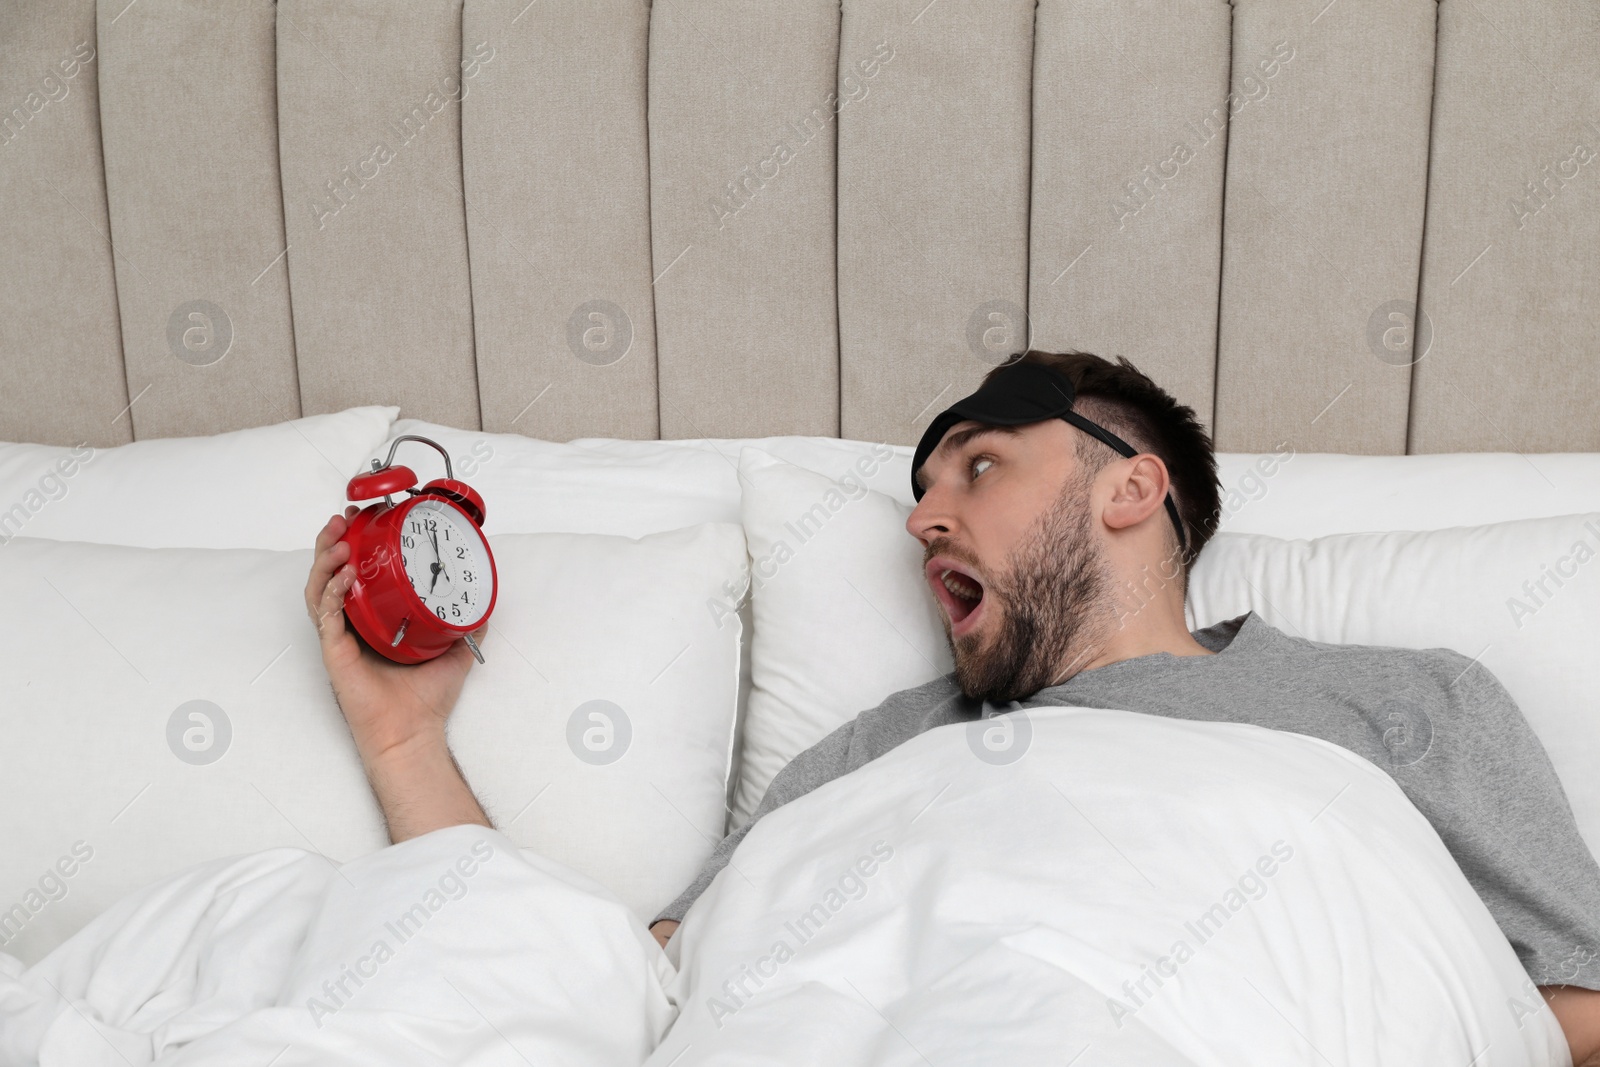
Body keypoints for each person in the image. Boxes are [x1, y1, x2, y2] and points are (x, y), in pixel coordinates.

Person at [304, 349, 1600, 1064]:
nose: (927, 516)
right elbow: (605, 982)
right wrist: (403, 737)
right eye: (923, 494)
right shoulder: (888, 754)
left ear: (1132, 490)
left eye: (978, 466)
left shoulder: (1398, 703)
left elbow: (1573, 1019)